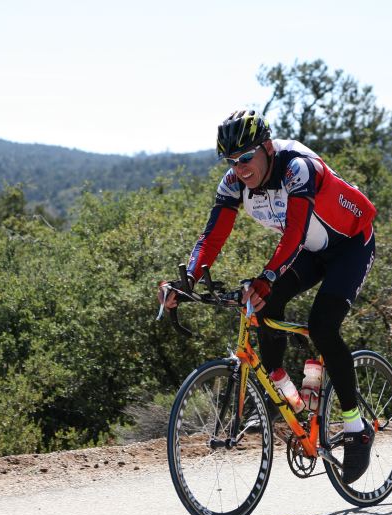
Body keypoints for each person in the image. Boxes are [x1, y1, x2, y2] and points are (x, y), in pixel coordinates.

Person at [160, 109, 377, 484]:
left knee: (323, 327)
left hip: (349, 247)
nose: (240, 169)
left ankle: (356, 427)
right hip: (309, 249)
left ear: (266, 148)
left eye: (246, 158)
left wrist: (268, 276)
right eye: (232, 161)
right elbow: (211, 237)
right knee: (262, 304)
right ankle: (287, 392)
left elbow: (293, 231)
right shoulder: (234, 184)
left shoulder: (298, 167)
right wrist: (187, 280)